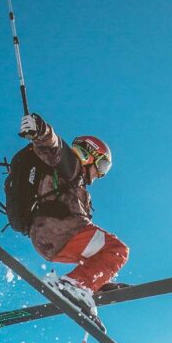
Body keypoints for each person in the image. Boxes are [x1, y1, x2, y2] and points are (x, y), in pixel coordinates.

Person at [19, 112, 129, 323]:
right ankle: (76, 285)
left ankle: (91, 283)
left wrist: (102, 278)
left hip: (47, 241)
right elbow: (53, 146)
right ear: (90, 154)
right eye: (102, 167)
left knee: (101, 252)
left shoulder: (75, 184)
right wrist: (40, 129)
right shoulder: (70, 165)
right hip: (61, 230)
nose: (100, 175)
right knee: (118, 250)